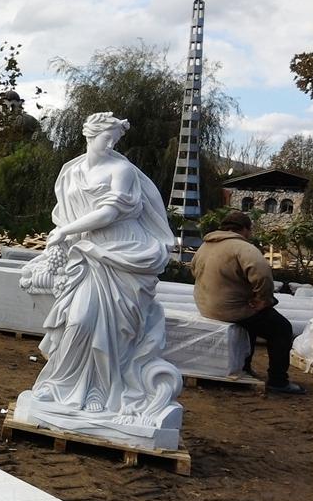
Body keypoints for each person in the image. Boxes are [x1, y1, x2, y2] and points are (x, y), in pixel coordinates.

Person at [23, 112, 182, 424]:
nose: (111, 144)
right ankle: (61, 385)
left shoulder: (122, 170)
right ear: (89, 135)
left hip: (120, 252)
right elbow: (65, 215)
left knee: (114, 332)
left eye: (115, 139)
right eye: (106, 138)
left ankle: (100, 391)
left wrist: (67, 232)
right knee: (79, 321)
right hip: (84, 255)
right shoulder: (71, 171)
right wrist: (63, 239)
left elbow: (109, 213)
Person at [191, 210, 305, 394]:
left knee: (252, 324)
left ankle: (244, 366)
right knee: (281, 328)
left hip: (206, 306)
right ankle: (278, 380)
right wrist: (263, 300)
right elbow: (263, 277)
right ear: (244, 229)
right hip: (232, 309)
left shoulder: (205, 246)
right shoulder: (243, 248)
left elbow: (194, 270)